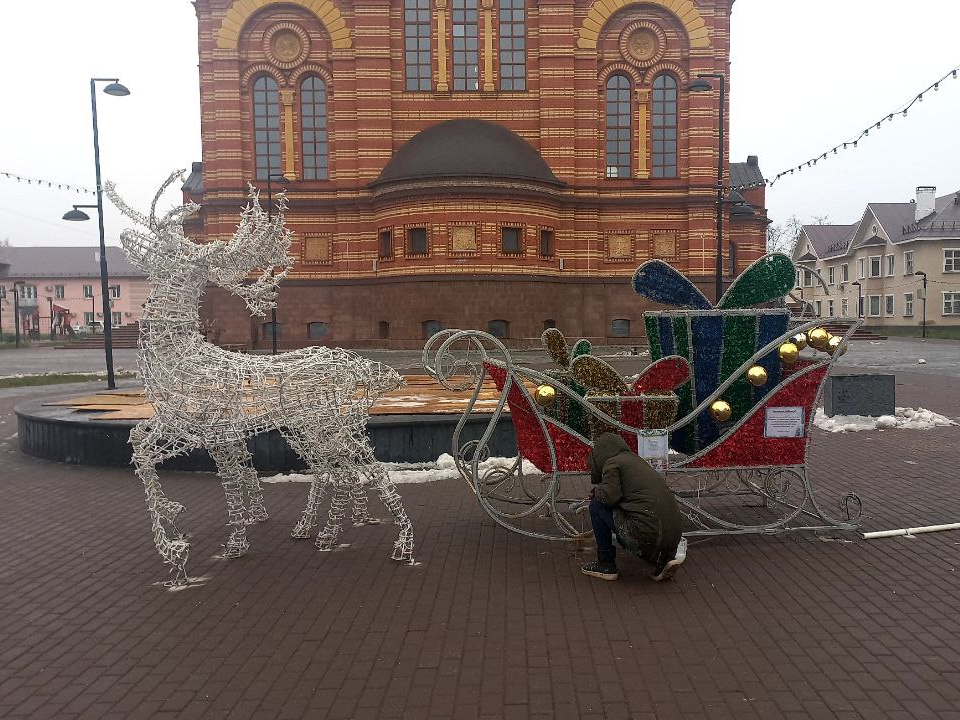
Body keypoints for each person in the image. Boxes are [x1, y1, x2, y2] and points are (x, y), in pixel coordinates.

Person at [581, 432, 687, 582]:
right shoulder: (636, 461)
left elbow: (609, 498)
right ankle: (661, 563)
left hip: (645, 532)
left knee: (597, 507)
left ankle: (606, 564)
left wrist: (598, 491)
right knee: (643, 516)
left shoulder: (612, 463)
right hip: (674, 535)